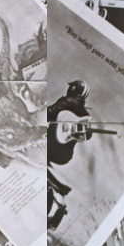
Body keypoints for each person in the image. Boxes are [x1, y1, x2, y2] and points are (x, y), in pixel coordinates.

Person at [47, 80, 91, 231]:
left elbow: (49, 113)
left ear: (73, 89)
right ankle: (57, 208)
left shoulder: (65, 102)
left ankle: (60, 191)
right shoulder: (85, 114)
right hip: (65, 155)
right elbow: (88, 135)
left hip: (51, 146)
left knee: (35, 160)